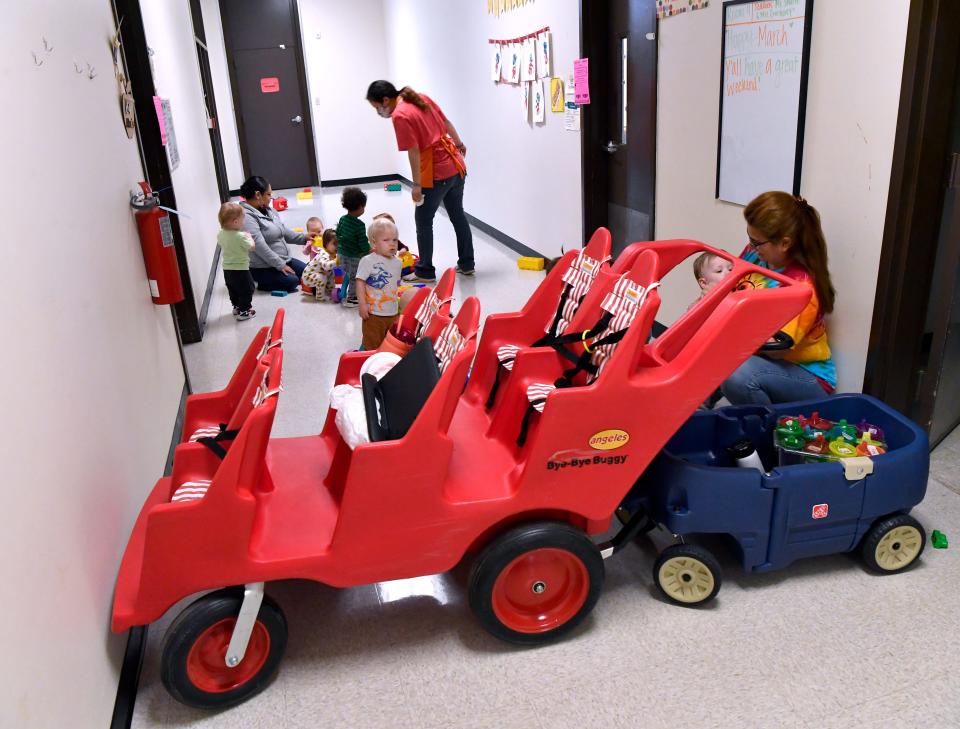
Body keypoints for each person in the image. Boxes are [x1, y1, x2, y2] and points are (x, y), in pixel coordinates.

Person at [721, 191, 837, 405]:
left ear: (784, 243)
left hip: (805, 375)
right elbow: (729, 289)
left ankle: (767, 431)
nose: (751, 247)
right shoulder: (754, 254)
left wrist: (727, 331)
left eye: (757, 242)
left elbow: (777, 349)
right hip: (761, 360)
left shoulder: (802, 287)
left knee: (735, 374)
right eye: (749, 238)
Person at [366, 80, 474, 282]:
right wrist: (459, 143)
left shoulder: (399, 115)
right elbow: (446, 122)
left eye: (376, 107)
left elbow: (414, 151)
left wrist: (416, 185)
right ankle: (467, 264)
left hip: (436, 173)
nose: (378, 112)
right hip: (456, 165)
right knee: (458, 215)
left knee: (423, 221)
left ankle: (425, 271)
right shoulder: (420, 97)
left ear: (386, 100)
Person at [239, 175, 307, 292]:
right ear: (258, 195)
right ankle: (263, 283)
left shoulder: (269, 210)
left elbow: (284, 232)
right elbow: (259, 247)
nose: (271, 198)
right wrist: (280, 265)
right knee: (293, 281)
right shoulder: (246, 217)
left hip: (284, 259)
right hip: (262, 267)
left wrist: (305, 238)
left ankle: (280, 275)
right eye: (269, 194)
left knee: (308, 272)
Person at [356, 217, 402, 350]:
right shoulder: (368, 261)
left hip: (392, 312)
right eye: (386, 240)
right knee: (372, 343)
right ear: (374, 244)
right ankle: (368, 361)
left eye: (394, 240)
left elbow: (394, 284)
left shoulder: (398, 262)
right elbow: (360, 282)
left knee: (390, 343)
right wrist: (362, 304)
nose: (392, 244)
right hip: (373, 314)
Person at [216, 202, 257, 321]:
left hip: (227, 268)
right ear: (235, 222)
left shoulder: (220, 234)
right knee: (247, 288)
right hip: (241, 269)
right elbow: (252, 247)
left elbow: (228, 241)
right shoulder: (241, 237)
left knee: (233, 288)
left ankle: (236, 307)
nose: (243, 222)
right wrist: (249, 237)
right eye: (242, 219)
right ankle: (244, 311)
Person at [336, 187, 369, 308]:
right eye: (364, 207)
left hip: (341, 254)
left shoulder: (342, 219)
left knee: (348, 274)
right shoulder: (360, 225)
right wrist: (369, 249)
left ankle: (343, 291)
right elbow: (363, 243)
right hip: (353, 257)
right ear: (360, 207)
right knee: (355, 277)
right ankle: (352, 298)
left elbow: (338, 233)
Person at [300, 229, 339, 302]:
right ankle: (320, 297)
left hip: (320, 273)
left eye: (339, 244)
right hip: (308, 276)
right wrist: (336, 261)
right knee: (322, 277)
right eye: (334, 244)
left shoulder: (332, 253)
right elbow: (326, 266)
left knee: (331, 273)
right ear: (326, 244)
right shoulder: (323, 253)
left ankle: (330, 291)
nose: (337, 246)